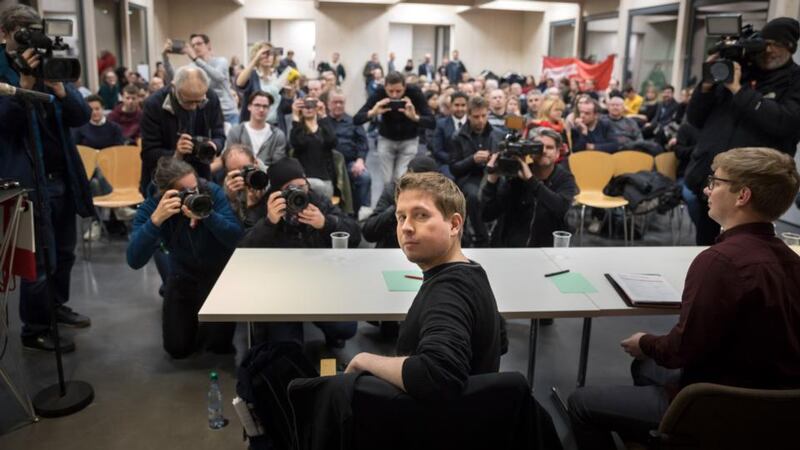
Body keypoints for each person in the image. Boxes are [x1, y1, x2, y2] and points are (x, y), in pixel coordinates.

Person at [568, 147, 800, 449]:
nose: (707, 189)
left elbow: (683, 349)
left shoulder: (719, 261)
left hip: (719, 405)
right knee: (646, 367)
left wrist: (645, 342)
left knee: (581, 403)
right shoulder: (791, 260)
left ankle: (678, 431)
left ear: (742, 196)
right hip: (781, 407)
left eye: (715, 183)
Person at [346, 171, 506, 403]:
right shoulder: (472, 271)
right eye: (401, 217)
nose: (406, 228)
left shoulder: (449, 290)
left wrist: (364, 360)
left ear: (454, 224)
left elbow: (438, 375)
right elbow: (500, 339)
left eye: (421, 215)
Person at [0, 4, 94, 351]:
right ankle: (35, 327)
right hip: (26, 179)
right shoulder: (3, 71)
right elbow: (6, 124)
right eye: (21, 32)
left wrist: (58, 87)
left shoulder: (49, 63)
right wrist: (23, 84)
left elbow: (80, 115)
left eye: (33, 30)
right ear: (4, 34)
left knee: (65, 252)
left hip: (62, 175)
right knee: (39, 261)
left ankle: (56, 307)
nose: (28, 40)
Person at [684, 17, 800, 245]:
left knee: (740, 248)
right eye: (764, 43)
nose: (768, 50)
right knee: (705, 246)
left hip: (752, 188)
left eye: (776, 45)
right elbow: (695, 119)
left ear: (790, 48)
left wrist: (738, 90)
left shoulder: (795, 79)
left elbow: (786, 123)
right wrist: (707, 85)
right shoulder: (738, 69)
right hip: (709, 177)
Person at [238, 157, 360, 348]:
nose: (299, 192)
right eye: (290, 188)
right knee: (287, 347)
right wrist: (269, 223)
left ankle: (330, 332)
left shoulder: (316, 200)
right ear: (277, 191)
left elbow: (354, 234)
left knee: (345, 328)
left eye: (302, 185)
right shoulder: (264, 208)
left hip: (318, 281)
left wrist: (325, 223)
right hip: (280, 288)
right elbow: (244, 254)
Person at [127, 157, 242, 358]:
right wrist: (155, 222)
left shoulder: (211, 192)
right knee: (177, 349)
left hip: (217, 276)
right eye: (187, 192)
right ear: (167, 193)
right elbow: (134, 260)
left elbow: (236, 238)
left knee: (219, 347)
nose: (194, 195)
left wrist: (208, 215)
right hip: (182, 275)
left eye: (195, 188)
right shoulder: (153, 206)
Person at [481, 127, 578, 247]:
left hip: (546, 249)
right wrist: (492, 181)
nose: (544, 151)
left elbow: (560, 208)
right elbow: (487, 215)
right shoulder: (516, 177)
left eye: (550, 147)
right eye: (539, 146)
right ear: (530, 152)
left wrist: (531, 180)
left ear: (558, 153)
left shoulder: (564, 178)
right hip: (512, 248)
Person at [140, 66, 225, 196]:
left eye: (199, 102)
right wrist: (176, 153)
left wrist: (214, 146)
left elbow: (219, 133)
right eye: (188, 101)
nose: (193, 107)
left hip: (200, 175)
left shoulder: (211, 98)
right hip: (163, 181)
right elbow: (148, 153)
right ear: (174, 87)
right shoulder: (154, 104)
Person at [354, 71, 435, 184]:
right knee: (387, 181)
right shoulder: (380, 92)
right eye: (390, 91)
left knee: (400, 180)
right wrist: (373, 112)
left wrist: (415, 117)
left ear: (405, 87)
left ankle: (398, 201)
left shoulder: (414, 92)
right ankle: (390, 200)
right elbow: (357, 119)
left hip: (409, 139)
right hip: (386, 139)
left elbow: (432, 122)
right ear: (385, 87)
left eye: (398, 91)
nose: (394, 95)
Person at [449, 96, 497, 247]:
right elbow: (454, 168)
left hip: (493, 175)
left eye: (484, 116)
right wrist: (473, 159)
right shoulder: (458, 136)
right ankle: (481, 237)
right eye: (476, 117)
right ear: (468, 116)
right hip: (468, 178)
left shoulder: (495, 133)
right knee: (475, 197)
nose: (481, 120)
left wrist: (493, 158)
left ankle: (499, 234)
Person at [362, 155, 439, 248]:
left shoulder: (441, 196)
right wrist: (397, 207)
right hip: (392, 249)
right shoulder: (393, 191)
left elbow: (457, 238)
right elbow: (369, 233)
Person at [164, 35, 239, 125]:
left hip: (228, 112)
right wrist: (165, 57)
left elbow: (218, 77)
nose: (196, 47)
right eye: (193, 45)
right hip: (208, 112)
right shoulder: (192, 66)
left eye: (199, 44)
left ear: (208, 45)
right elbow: (176, 78)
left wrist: (196, 59)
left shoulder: (221, 61)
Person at [326, 88, 371, 214]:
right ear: (328, 103)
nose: (338, 105)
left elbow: (363, 143)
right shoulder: (322, 122)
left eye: (341, 102)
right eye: (335, 102)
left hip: (350, 163)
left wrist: (360, 160)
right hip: (328, 164)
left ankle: (358, 211)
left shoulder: (354, 121)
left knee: (364, 177)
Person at [290, 95, 337, 198]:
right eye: (305, 105)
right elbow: (298, 143)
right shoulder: (298, 128)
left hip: (324, 179)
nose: (308, 108)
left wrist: (323, 115)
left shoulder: (323, 127)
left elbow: (332, 141)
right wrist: (295, 116)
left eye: (312, 105)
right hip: (303, 179)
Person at [225, 90, 287, 167]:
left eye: (265, 106)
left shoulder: (277, 135)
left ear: (269, 109)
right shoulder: (235, 132)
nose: (261, 110)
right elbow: (230, 159)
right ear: (249, 107)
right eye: (257, 105)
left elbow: (278, 164)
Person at [236, 41, 290, 124]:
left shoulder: (279, 76)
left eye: (270, 54)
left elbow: (286, 108)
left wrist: (290, 94)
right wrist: (256, 58)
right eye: (264, 53)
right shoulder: (252, 75)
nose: (267, 57)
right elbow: (239, 83)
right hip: (253, 126)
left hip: (275, 126)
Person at [221, 144, 267, 228]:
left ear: (255, 163)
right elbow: (234, 225)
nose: (243, 175)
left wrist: (261, 202)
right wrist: (232, 200)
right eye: (235, 171)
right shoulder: (230, 185)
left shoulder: (271, 177)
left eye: (245, 169)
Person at [432, 91, 468, 179]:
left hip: (469, 162)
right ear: (450, 106)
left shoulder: (472, 123)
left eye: (463, 105)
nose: (460, 109)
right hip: (447, 163)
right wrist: (453, 160)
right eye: (456, 105)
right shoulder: (441, 124)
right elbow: (437, 150)